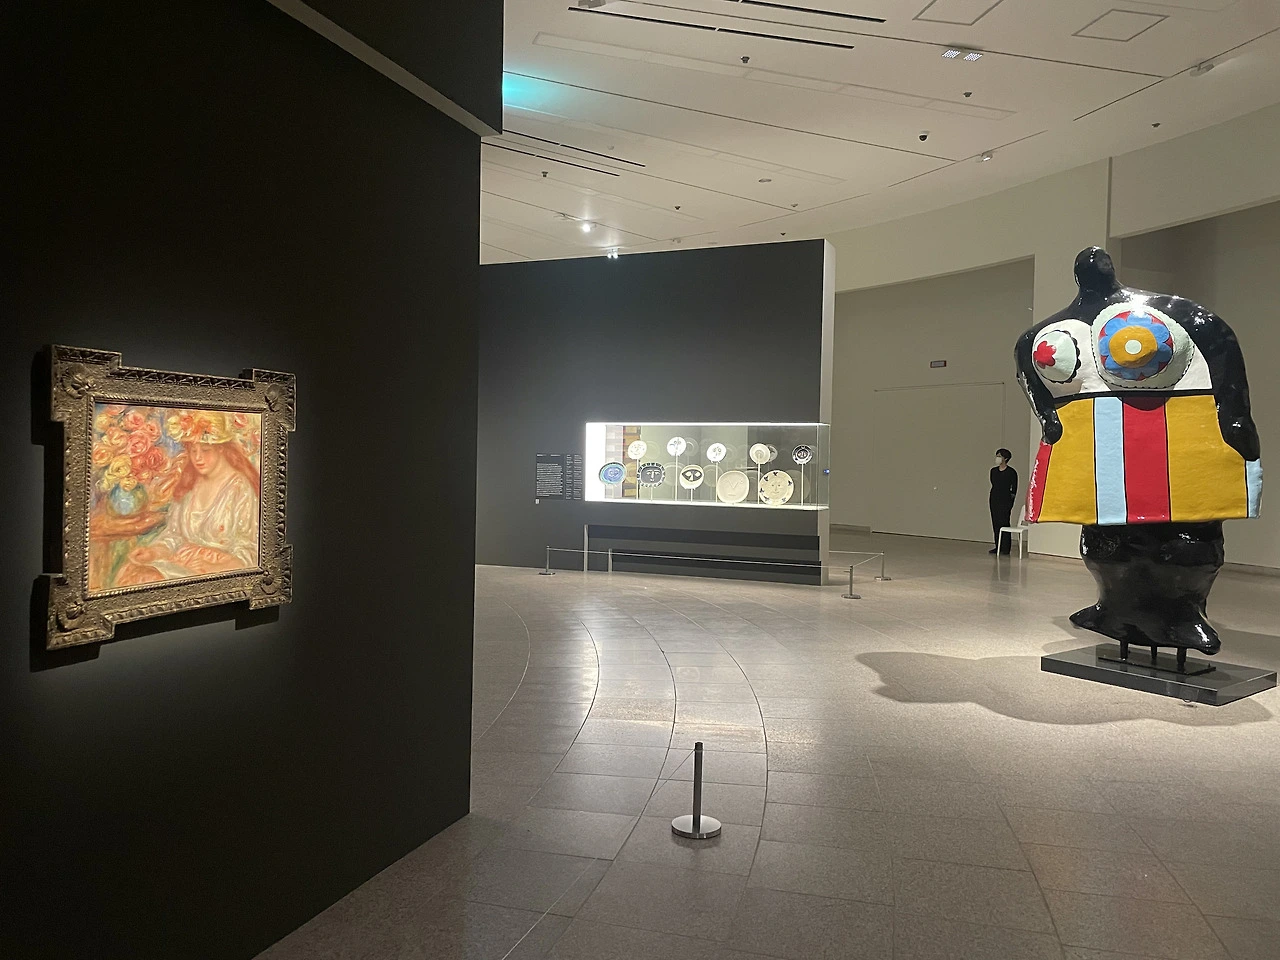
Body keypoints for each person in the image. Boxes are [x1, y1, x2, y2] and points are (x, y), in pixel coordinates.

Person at [116, 414, 260, 585]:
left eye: (205, 450)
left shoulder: (240, 488)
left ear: (221, 449)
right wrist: (154, 552)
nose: (198, 458)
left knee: (150, 580)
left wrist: (218, 567)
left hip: (216, 571)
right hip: (182, 561)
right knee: (132, 573)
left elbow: (250, 549)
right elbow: (174, 535)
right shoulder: (190, 484)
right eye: (193, 451)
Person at [989, 448, 1018, 555]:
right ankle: (998, 546)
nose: (997, 458)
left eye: (999, 456)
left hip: (1005, 500)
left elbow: (1014, 488)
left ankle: (1006, 547)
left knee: (1004, 522)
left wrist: (1010, 502)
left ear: (1005, 458)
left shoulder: (1011, 472)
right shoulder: (993, 471)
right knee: (995, 522)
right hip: (994, 498)